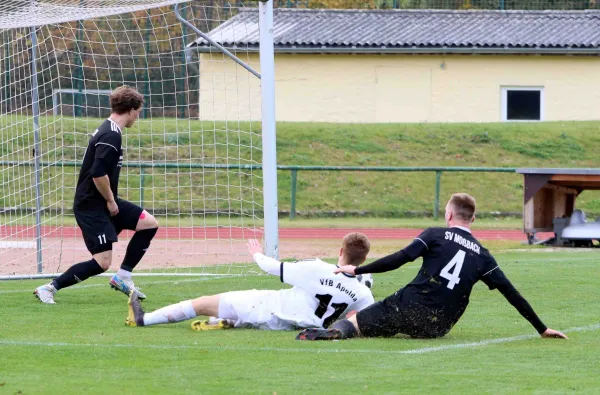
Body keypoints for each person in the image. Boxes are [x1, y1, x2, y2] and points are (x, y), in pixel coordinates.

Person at [297, 193, 568, 341]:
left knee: (357, 322)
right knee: (395, 323)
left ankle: (338, 331)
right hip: (440, 326)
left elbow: (400, 258)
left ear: (449, 214)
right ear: (472, 218)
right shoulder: (484, 255)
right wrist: (541, 328)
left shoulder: (435, 234)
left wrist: (356, 270)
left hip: (409, 306)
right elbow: (511, 293)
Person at [34, 86, 159, 304]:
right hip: (92, 206)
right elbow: (97, 174)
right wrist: (111, 201)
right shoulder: (111, 134)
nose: (138, 116)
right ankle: (49, 288)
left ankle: (123, 277)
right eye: (138, 111)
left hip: (103, 201)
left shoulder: (110, 129)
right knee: (102, 262)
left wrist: (110, 200)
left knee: (148, 223)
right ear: (130, 110)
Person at [125, 234, 374, 331]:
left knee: (202, 303)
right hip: (292, 324)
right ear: (364, 259)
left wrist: (256, 252)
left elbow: (270, 267)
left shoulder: (319, 269)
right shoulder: (362, 292)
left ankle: (143, 319)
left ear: (341, 250)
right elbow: (364, 319)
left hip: (271, 307)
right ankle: (227, 323)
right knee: (241, 314)